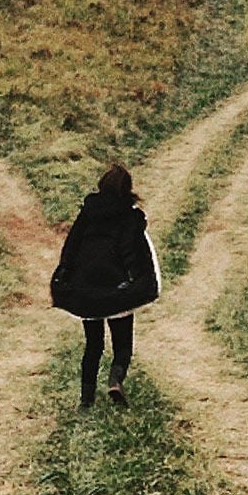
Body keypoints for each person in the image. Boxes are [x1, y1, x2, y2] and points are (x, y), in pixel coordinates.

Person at [50, 163, 161, 407]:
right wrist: (139, 283)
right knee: (122, 345)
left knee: (93, 346)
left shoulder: (87, 215)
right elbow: (139, 254)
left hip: (86, 289)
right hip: (117, 291)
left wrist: (64, 279)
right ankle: (115, 381)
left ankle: (86, 401)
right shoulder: (131, 218)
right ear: (127, 189)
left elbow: (71, 249)